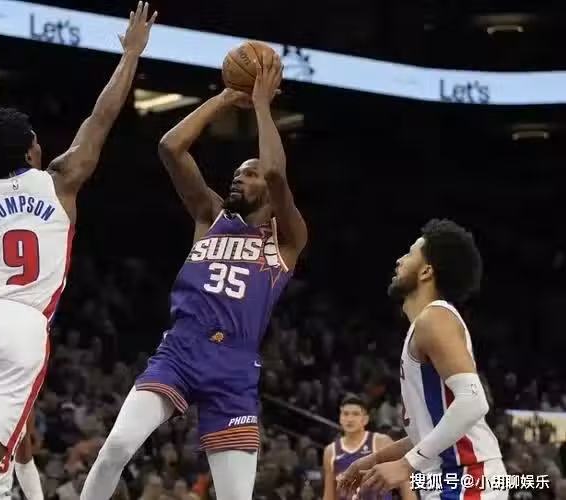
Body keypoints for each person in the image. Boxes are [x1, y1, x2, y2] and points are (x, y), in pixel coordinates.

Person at [0, 4, 157, 500]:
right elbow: (101, 118)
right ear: (31, 149)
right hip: (25, 330)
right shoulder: (61, 182)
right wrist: (130, 54)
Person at [80, 50, 308, 500]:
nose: (238, 178)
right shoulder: (210, 216)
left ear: (268, 191)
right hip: (182, 349)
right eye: (236, 173)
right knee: (117, 447)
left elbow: (276, 171)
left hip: (235, 365)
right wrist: (224, 97)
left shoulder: (287, 239)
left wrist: (261, 105)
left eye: (248, 175)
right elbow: (170, 147)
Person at [337, 220, 506, 499]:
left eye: (410, 253)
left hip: (466, 478)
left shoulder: (434, 317)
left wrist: (406, 465)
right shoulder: (425, 324)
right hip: (452, 480)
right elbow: (430, 433)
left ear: (426, 271)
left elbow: (473, 401)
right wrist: (373, 460)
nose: (399, 260)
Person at [322, 394, 414, 500]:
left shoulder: (381, 441)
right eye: (345, 414)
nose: (350, 419)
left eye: (355, 414)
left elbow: (404, 481)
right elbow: (329, 494)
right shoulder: (331, 451)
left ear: (365, 419)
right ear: (340, 418)